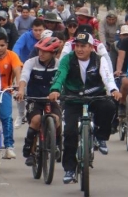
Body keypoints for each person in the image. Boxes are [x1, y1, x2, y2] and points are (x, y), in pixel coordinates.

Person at [48, 31, 121, 184]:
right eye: (78, 46)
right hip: (73, 98)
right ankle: (69, 169)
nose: (80, 49)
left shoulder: (99, 60)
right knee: (69, 132)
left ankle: (101, 137)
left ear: (91, 47)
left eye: (84, 46)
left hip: (95, 96)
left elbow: (107, 77)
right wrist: (55, 89)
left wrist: (113, 90)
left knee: (109, 106)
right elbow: (60, 74)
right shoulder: (67, 59)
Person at [18, 35, 62, 166]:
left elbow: (63, 80)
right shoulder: (31, 62)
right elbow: (24, 77)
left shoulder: (59, 64)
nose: (41, 53)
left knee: (56, 119)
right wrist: (21, 90)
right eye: (39, 50)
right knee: (36, 120)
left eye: (45, 51)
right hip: (34, 99)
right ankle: (30, 150)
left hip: (52, 99)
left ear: (53, 53)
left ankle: (58, 145)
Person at [0, 30, 22, 159]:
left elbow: (17, 70)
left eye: (2, 45)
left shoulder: (12, 56)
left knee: (7, 118)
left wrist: (19, 86)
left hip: (5, 91)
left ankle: (9, 147)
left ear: (7, 45)